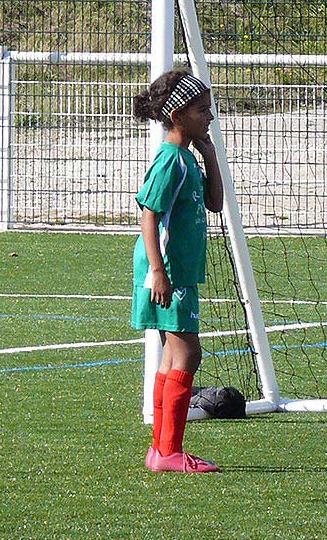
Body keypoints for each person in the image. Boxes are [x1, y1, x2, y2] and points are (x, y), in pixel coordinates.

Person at [131, 70, 224, 474]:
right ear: (178, 113)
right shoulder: (170, 159)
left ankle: (161, 450)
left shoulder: (187, 157)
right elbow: (148, 215)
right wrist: (158, 272)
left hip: (180, 270)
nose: (210, 117)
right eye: (202, 110)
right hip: (168, 270)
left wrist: (211, 155)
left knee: (174, 354)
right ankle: (168, 450)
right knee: (188, 352)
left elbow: (216, 204)